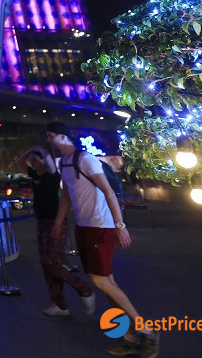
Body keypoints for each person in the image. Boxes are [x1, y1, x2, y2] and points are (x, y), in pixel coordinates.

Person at [47, 122, 159, 358]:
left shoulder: (85, 159)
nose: (49, 140)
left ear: (64, 137)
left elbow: (107, 190)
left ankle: (145, 330)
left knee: (100, 282)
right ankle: (129, 337)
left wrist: (120, 226)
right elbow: (67, 194)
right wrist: (59, 222)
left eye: (52, 136)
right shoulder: (65, 164)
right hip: (84, 226)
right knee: (107, 283)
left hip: (101, 226)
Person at [12, 144, 94, 316]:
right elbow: (19, 162)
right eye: (32, 161)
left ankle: (84, 289)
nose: (32, 164)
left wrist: (41, 150)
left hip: (55, 222)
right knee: (45, 263)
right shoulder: (35, 175)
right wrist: (30, 150)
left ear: (44, 161)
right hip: (41, 222)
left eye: (36, 161)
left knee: (52, 262)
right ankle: (60, 304)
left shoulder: (52, 176)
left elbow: (48, 161)